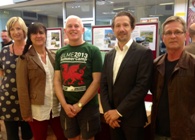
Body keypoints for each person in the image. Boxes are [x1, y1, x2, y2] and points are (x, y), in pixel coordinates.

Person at [100, 11, 153, 140]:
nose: (121, 29)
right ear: (113, 29)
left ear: (132, 28)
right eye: (117, 26)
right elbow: (104, 85)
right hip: (112, 120)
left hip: (133, 119)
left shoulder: (143, 53)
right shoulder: (109, 55)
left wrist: (118, 112)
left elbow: (142, 87)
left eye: (125, 25)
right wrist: (108, 112)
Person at [54, 15, 102, 140]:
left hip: (88, 106)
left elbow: (97, 81)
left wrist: (79, 105)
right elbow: (57, 80)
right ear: (65, 31)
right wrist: (64, 105)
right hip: (67, 106)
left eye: (76, 26)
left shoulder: (93, 51)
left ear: (83, 30)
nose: (73, 29)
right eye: (70, 26)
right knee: (72, 138)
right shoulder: (60, 52)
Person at [16, 22, 66, 140]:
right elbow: (22, 88)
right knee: (40, 138)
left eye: (41, 33)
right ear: (30, 36)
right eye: (34, 33)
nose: (38, 36)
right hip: (37, 109)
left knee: (63, 136)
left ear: (46, 35)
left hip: (56, 106)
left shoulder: (54, 56)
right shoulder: (24, 59)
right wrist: (26, 113)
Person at [151, 16, 195, 140]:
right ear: (163, 37)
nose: (173, 36)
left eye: (177, 32)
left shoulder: (193, 64)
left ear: (185, 36)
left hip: (186, 134)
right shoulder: (156, 65)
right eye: (168, 33)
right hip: (158, 133)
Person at [0, 17, 33, 140]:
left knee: (28, 134)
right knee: (11, 134)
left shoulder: (32, 50)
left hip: (28, 99)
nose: (15, 32)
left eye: (18, 28)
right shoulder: (4, 51)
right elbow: (1, 74)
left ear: (24, 30)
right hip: (8, 98)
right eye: (12, 29)